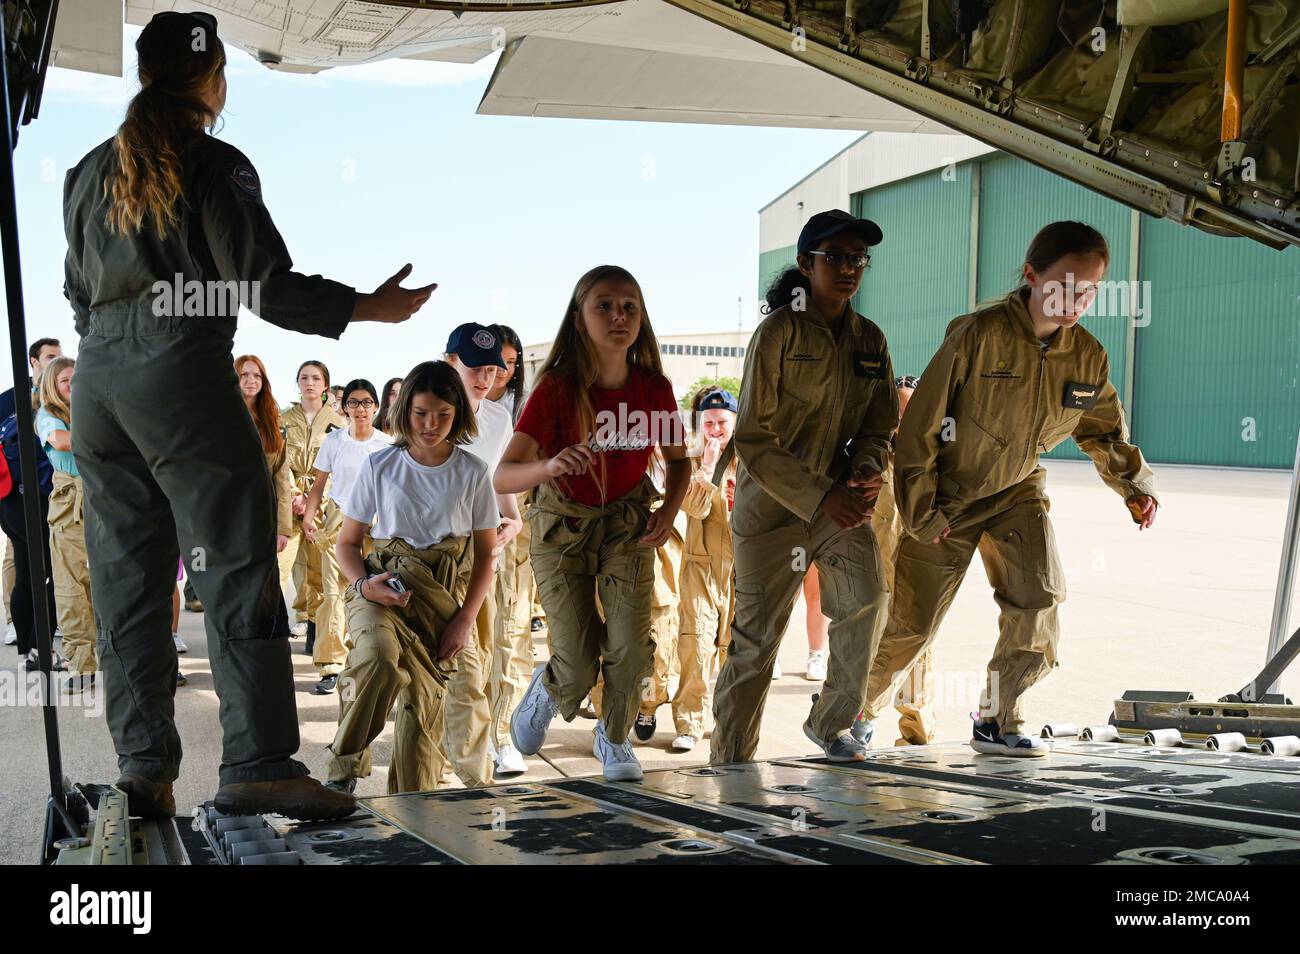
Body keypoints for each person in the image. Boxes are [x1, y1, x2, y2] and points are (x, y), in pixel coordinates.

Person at [62, 11, 434, 819]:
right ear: (214, 80)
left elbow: (76, 292)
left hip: (98, 388)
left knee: (127, 581)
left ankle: (144, 771)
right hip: (182, 380)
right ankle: (259, 760)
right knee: (234, 566)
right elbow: (262, 282)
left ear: (144, 73)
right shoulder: (214, 162)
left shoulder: (87, 173)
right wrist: (366, 306)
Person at [857, 221, 1158, 758]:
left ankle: (997, 718)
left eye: (1088, 290)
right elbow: (920, 429)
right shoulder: (977, 335)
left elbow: (1104, 428)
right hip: (949, 494)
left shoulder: (1086, 355)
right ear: (1031, 274)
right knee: (911, 623)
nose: (1075, 300)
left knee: (1038, 600)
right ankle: (851, 715)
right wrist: (922, 511)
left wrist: (1133, 485)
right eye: (1063, 284)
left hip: (1019, 489)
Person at [710, 209, 897, 765]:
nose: (848, 268)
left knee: (868, 601)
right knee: (756, 644)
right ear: (804, 263)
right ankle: (731, 761)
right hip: (772, 510)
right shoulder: (778, 333)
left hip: (840, 504)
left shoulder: (870, 339)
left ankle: (831, 720)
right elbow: (754, 437)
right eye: (834, 257)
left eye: (858, 258)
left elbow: (877, 424)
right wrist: (821, 496)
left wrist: (866, 466)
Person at [497, 265, 688, 783]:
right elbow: (504, 475)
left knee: (629, 648)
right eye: (603, 305)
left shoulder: (654, 388)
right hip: (563, 529)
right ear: (580, 319)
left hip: (627, 525)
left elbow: (679, 460)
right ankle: (550, 686)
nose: (618, 315)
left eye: (629, 306)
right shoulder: (557, 389)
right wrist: (550, 465)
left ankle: (615, 734)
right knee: (579, 662)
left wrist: (668, 512)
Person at [324, 361, 498, 794]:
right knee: (379, 659)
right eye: (421, 413)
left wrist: (463, 621)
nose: (430, 424)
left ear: (458, 414)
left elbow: (486, 553)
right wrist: (365, 586)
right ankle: (343, 770)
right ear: (404, 411)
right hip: (382, 587)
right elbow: (347, 544)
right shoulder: (381, 465)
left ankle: (412, 807)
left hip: (443, 598)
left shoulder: (472, 472)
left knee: (430, 710)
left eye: (442, 414)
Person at [438, 324, 525, 781]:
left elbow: (496, 478)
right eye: (477, 368)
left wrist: (514, 516)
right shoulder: (427, 412)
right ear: (451, 359)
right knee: (452, 662)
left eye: (495, 369)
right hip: (432, 555)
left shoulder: (498, 420)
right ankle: (459, 770)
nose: (486, 378)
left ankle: (480, 756)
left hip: (484, 550)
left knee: (485, 651)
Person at [849, 375, 936, 745]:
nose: (904, 420)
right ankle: (857, 721)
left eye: (911, 411)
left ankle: (917, 734)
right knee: (866, 647)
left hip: (918, 566)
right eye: (897, 411)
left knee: (919, 647)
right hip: (873, 571)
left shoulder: (935, 457)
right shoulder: (866, 457)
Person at [302, 379, 393, 694]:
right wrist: (309, 518)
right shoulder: (334, 441)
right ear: (344, 407)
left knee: (371, 588)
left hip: (376, 523)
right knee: (333, 593)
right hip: (339, 518)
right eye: (353, 402)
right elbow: (318, 484)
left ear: (376, 407)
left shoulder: (387, 444)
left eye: (367, 402)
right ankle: (330, 665)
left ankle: (367, 658)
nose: (360, 409)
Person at [666, 387, 737, 752]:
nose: (715, 429)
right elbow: (693, 510)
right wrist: (708, 468)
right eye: (708, 422)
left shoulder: (752, 460)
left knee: (736, 650)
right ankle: (690, 724)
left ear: (735, 422)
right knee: (695, 645)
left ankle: (730, 721)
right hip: (700, 567)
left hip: (742, 571)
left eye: (722, 422)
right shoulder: (693, 460)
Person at [0, 339, 62, 671]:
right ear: (33, 362)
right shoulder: (20, 400)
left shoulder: (16, 398)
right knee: (48, 573)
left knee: (28, 573)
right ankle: (41, 649)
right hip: (29, 497)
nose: (58, 361)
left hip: (14, 500)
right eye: (51, 356)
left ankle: (30, 649)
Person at [36, 357, 95, 691]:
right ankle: (82, 665)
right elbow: (61, 441)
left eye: (76, 378)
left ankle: (117, 657)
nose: (72, 385)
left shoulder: (93, 408)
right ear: (51, 388)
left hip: (104, 500)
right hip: (69, 506)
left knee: (111, 585)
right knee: (72, 589)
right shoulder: (47, 416)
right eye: (64, 381)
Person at [280, 360, 343, 651]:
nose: (310, 383)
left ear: (325, 385)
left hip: (321, 509)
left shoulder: (338, 424)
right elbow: (276, 462)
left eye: (316, 378)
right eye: (304, 377)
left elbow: (340, 468)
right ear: (297, 382)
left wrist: (314, 501)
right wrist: (294, 496)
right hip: (287, 505)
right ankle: (277, 630)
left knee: (320, 574)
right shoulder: (282, 419)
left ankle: (316, 636)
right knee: (281, 570)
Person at [236, 354, 294, 557]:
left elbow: (282, 478)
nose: (251, 380)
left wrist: (283, 529)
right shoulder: (219, 417)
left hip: (262, 515)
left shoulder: (275, 423)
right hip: (226, 514)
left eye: (257, 376)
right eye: (244, 375)